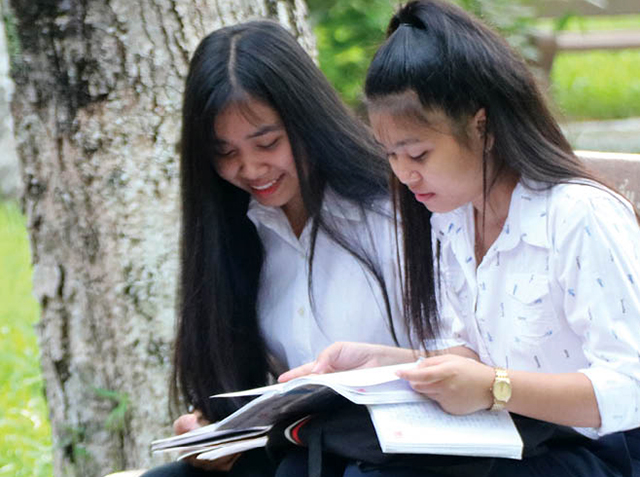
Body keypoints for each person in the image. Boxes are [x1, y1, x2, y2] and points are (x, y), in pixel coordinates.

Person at [280, 1, 640, 476]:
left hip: (602, 452)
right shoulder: (452, 218)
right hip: (517, 441)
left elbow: (631, 387)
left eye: (418, 154)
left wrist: (494, 387)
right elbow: (475, 356)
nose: (404, 174)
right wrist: (384, 364)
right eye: (390, 155)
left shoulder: (578, 216)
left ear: (482, 127)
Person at [140, 18, 474, 477]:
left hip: (411, 452)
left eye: (267, 143)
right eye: (225, 153)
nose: (250, 168)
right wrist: (213, 430)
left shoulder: (399, 209)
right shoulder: (239, 229)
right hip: (308, 448)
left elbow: (473, 360)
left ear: (307, 120)